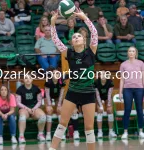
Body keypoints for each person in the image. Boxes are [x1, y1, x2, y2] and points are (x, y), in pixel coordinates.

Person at [49, 8, 98, 150]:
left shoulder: (91, 51)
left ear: (84, 40)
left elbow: (94, 33)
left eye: (79, 36)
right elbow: (55, 40)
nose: (76, 38)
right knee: (62, 122)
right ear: (71, 41)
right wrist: (52, 24)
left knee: (89, 127)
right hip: (72, 92)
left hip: (88, 93)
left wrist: (85, 18)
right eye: (74, 37)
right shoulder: (68, 53)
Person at [119, 46, 144, 139]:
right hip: (127, 89)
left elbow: (143, 77)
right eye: (129, 51)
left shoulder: (141, 63)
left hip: (139, 89)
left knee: (139, 109)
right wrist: (120, 92)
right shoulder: (123, 64)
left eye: (133, 51)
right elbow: (122, 79)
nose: (131, 52)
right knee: (127, 109)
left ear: (135, 53)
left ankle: (141, 130)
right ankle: (125, 132)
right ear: (127, 53)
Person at [16, 75, 46, 143]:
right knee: (22, 117)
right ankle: (21, 136)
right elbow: (18, 103)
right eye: (26, 78)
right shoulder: (19, 89)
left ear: (32, 79)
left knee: (43, 117)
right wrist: (28, 109)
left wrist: (34, 109)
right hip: (24, 108)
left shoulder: (36, 89)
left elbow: (39, 101)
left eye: (29, 78)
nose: (28, 79)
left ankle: (40, 134)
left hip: (34, 108)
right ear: (23, 80)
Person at [45, 68, 66, 141]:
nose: (55, 75)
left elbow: (61, 95)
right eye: (54, 73)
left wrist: (59, 105)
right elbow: (47, 95)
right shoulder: (48, 82)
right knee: (49, 110)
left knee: (60, 110)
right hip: (49, 97)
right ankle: (48, 134)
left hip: (57, 98)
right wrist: (49, 105)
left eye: (57, 73)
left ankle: (61, 133)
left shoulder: (61, 83)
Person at [95, 70, 117, 138]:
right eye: (101, 74)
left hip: (107, 97)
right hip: (99, 98)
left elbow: (109, 94)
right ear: (99, 76)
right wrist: (101, 106)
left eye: (104, 74)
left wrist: (108, 105)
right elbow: (97, 95)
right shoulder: (96, 82)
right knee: (100, 111)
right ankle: (100, 132)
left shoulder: (110, 82)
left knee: (110, 110)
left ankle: (111, 131)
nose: (103, 76)